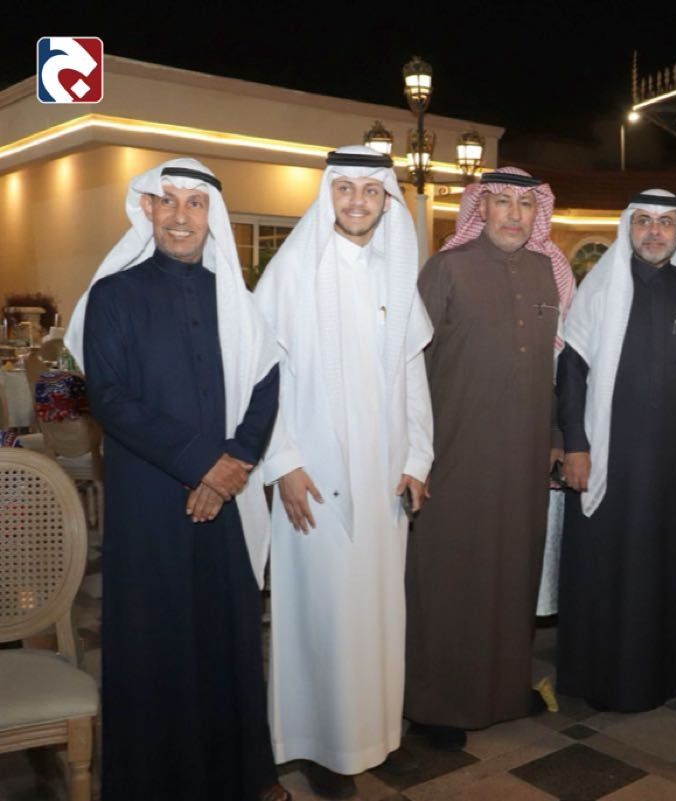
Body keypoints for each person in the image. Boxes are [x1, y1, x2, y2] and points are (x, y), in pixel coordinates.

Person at [66, 159, 286, 801]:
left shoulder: (235, 298)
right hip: (148, 501)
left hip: (226, 498)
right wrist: (202, 464)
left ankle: (242, 776)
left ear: (212, 215)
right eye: (168, 201)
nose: (181, 216)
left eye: (195, 203)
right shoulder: (113, 295)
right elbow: (109, 398)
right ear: (147, 210)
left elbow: (267, 382)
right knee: (155, 640)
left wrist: (230, 466)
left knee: (227, 636)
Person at [253, 146, 433, 798]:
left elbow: (412, 374)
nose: (358, 201)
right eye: (345, 188)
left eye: (371, 190)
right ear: (327, 193)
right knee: (323, 615)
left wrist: (417, 458)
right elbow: (261, 380)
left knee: (379, 615)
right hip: (315, 479)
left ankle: (375, 735)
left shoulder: (394, 273)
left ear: (387, 199)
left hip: (384, 476)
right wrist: (283, 463)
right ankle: (322, 747)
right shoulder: (292, 272)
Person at [406, 167, 575, 748]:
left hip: (525, 459)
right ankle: (434, 703)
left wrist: (555, 433)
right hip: (455, 454)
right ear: (480, 208)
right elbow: (411, 368)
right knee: (451, 575)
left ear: (537, 214)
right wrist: (413, 453)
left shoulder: (546, 272)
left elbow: (552, 369)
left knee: (511, 573)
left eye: (525, 205)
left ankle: (502, 692)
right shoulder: (447, 269)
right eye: (501, 202)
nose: (513, 215)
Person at [555, 189, 676, 712]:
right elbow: (571, 372)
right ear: (628, 227)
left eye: (666, 222)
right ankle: (598, 677)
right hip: (607, 458)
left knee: (662, 572)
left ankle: (662, 676)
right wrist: (576, 447)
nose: (654, 231)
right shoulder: (600, 289)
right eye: (644, 221)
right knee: (604, 569)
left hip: (672, 465)